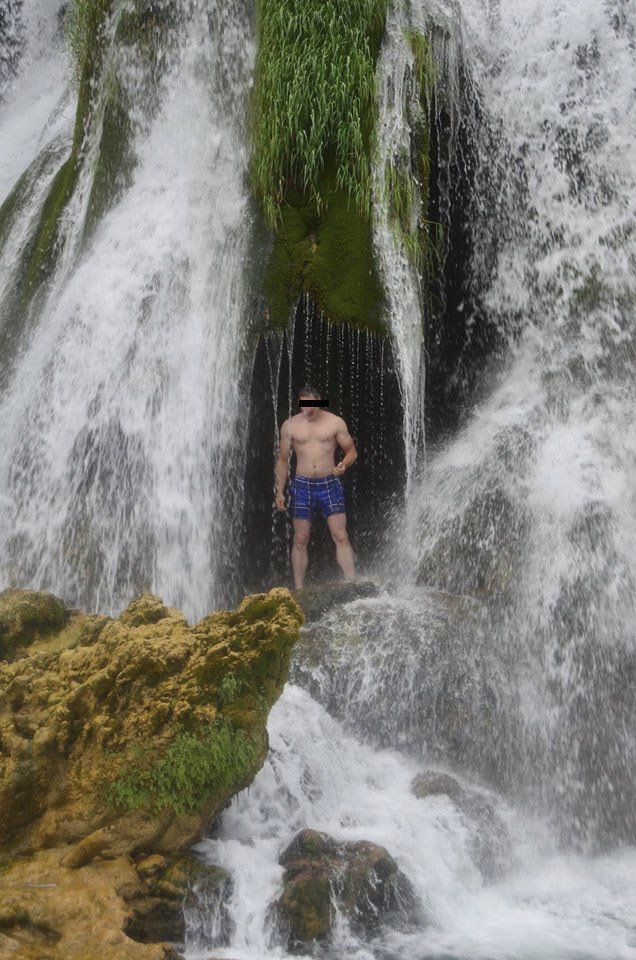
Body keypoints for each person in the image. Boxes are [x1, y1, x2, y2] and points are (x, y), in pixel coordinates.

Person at [275, 385, 357, 590]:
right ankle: (299, 589)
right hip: (302, 485)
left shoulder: (335, 422)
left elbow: (351, 451)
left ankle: (351, 582)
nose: (308, 411)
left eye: (312, 406)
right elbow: (283, 461)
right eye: (304, 406)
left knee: (340, 535)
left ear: (319, 402)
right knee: (300, 538)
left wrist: (344, 464)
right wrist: (279, 491)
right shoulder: (290, 425)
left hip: (329, 482)